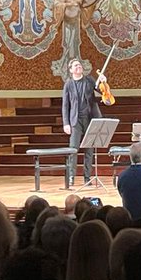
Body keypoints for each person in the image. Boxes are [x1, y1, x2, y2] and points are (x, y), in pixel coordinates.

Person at [62, 57, 104, 185]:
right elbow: (65, 105)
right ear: (71, 70)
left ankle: (87, 177)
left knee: (89, 150)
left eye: (79, 65)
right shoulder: (68, 84)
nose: (78, 67)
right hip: (75, 121)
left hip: (90, 119)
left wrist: (103, 81)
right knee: (73, 149)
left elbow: (101, 90)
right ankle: (71, 177)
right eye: (75, 66)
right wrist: (66, 123)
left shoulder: (89, 80)